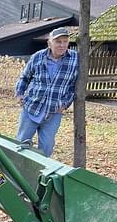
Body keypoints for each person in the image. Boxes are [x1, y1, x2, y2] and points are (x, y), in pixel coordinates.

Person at [15, 27, 79, 157]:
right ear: (49, 43)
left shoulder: (75, 60)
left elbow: (74, 86)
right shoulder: (37, 57)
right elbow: (25, 77)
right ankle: (16, 173)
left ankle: (38, 175)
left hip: (54, 111)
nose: (62, 45)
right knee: (21, 144)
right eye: (58, 41)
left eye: (65, 42)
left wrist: (65, 104)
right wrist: (19, 93)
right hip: (31, 107)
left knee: (46, 149)